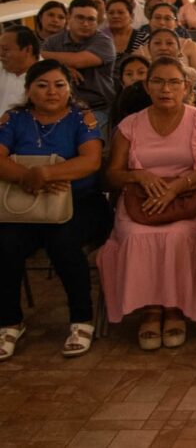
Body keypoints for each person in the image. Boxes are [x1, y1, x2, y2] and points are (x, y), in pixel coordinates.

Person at [98, 57, 196, 349]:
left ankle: (175, 309)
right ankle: (151, 310)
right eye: (158, 82)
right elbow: (113, 175)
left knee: (179, 235)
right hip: (140, 201)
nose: (166, 89)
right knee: (135, 235)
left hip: (189, 199)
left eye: (174, 82)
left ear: (186, 87)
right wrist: (138, 175)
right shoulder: (130, 125)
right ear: (147, 86)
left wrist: (177, 186)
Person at [0, 60, 110, 361]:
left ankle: (81, 319)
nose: (52, 92)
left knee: (63, 241)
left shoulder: (81, 118)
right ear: (28, 90)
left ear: (69, 89)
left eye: (59, 85)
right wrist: (28, 177)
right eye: (43, 85)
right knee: (5, 244)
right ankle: (9, 322)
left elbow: (90, 161)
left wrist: (46, 174)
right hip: (25, 204)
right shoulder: (14, 119)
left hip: (79, 202)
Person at [41, 0, 115, 131]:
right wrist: (63, 68)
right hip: (59, 109)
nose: (85, 24)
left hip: (97, 108)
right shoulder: (52, 42)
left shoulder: (104, 42)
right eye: (80, 18)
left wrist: (52, 63)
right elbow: (39, 69)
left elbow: (77, 61)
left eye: (91, 19)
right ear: (69, 18)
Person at [0, 27, 40, 113]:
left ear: (28, 50)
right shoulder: (1, 67)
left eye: (5, 49)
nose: (1, 54)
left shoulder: (49, 76)